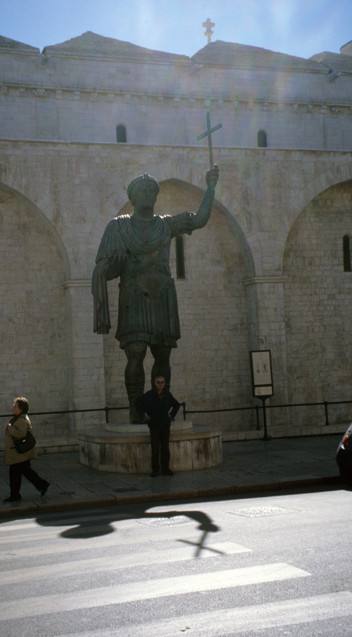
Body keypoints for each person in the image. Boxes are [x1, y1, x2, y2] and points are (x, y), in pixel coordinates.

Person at [92, 166, 219, 423]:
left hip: (162, 294)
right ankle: (135, 409)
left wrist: (211, 187)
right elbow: (103, 269)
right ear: (133, 196)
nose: (148, 194)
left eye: (152, 190)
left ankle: (160, 408)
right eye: (142, 190)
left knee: (162, 354)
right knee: (136, 351)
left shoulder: (166, 224)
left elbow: (200, 219)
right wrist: (112, 263)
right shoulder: (118, 226)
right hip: (134, 294)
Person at [4, 397, 49, 502]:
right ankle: (41, 485)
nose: (13, 407)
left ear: (20, 408)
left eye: (15, 405)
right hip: (20, 452)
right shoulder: (19, 418)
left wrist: (11, 429)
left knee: (15, 474)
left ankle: (15, 495)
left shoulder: (21, 420)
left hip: (19, 452)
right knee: (25, 472)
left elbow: (21, 434)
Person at [136, 376, 180, 477]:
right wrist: (146, 413)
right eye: (158, 382)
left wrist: (171, 414)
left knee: (165, 448)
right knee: (155, 449)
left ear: (164, 383)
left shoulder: (167, 394)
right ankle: (155, 470)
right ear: (155, 383)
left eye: (162, 382)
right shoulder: (149, 395)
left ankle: (165, 469)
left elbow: (176, 404)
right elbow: (137, 403)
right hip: (154, 425)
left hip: (165, 425)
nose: (160, 384)